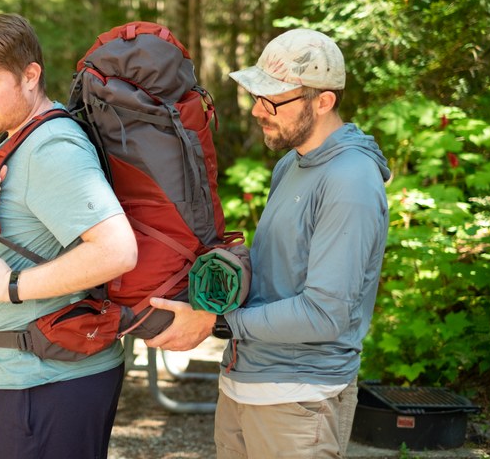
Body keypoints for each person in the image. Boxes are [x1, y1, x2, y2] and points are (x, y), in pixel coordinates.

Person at [146, 28, 391, 458]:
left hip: (298, 399)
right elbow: (278, 274)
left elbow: (324, 315)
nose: (259, 110)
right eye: (258, 96)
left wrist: (215, 324)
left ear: (324, 100)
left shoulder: (350, 181)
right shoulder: (290, 165)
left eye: (273, 100)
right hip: (245, 383)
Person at [0, 13, 138, 459]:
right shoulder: (17, 138)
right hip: (31, 372)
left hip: (51, 379)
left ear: (31, 76)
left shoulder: (51, 148)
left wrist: (12, 287)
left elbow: (117, 250)